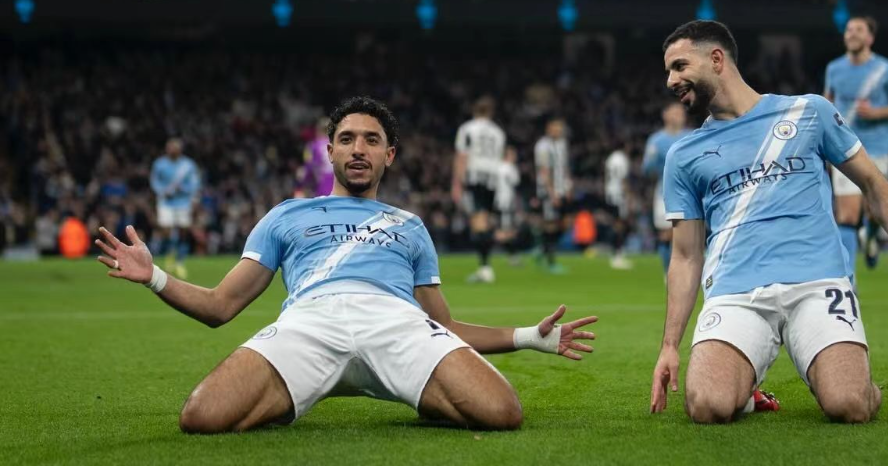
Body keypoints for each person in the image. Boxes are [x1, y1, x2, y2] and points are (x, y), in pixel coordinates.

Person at [95, 96, 597, 434]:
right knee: (201, 416)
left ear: (389, 155)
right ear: (330, 150)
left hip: (395, 324)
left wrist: (529, 336)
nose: (359, 149)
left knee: (503, 411)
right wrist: (154, 277)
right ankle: (316, 382)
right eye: (348, 139)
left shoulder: (410, 225)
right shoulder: (286, 215)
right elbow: (219, 306)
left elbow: (445, 325)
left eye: (372, 140)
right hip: (310, 322)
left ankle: (396, 382)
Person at [649, 20, 888, 424]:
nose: (671, 81)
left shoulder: (808, 111)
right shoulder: (683, 154)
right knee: (707, 405)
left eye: (679, 66)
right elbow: (686, 255)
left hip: (817, 283)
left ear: (716, 59)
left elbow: (873, 183)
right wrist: (669, 346)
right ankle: (746, 391)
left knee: (849, 404)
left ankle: (854, 380)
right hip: (735, 292)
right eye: (668, 71)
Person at [824, 16, 888, 283]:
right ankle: (848, 281)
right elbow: (827, 104)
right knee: (847, 214)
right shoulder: (834, 69)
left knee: (874, 211)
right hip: (843, 148)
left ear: (870, 38)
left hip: (876, 147)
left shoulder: (886, 69)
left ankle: (871, 235)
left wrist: (877, 113)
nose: (851, 33)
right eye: (848, 29)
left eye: (858, 30)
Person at [451, 97, 506, 284]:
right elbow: (500, 158)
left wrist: (457, 183)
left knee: (478, 223)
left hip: (474, 177)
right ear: (491, 112)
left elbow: (462, 156)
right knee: (486, 221)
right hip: (493, 179)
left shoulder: (467, 129)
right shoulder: (498, 132)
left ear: (474, 111)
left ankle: (485, 268)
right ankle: (486, 266)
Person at [642, 103, 690, 275]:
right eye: (675, 112)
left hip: (689, 193)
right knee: (666, 233)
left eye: (681, 112)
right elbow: (646, 170)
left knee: (687, 235)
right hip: (664, 192)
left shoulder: (692, 136)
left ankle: (687, 273)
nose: (680, 115)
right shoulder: (656, 140)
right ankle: (667, 273)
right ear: (666, 115)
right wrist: (653, 159)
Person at [149, 138, 201, 279]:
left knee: (183, 232)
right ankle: (170, 257)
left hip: (183, 202)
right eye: (169, 147)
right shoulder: (160, 164)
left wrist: (183, 189)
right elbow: (154, 181)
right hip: (166, 202)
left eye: (174, 148)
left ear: (180, 150)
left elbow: (195, 183)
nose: (171, 150)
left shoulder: (188, 165)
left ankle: (180, 262)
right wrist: (162, 191)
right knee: (166, 230)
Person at [534, 117, 572, 274]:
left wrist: (568, 186)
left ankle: (542, 249)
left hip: (562, 189)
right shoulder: (542, 146)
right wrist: (551, 193)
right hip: (548, 191)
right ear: (548, 129)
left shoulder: (562, 144)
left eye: (560, 129)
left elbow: (565, 167)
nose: (558, 131)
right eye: (555, 128)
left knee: (565, 223)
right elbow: (544, 171)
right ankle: (550, 263)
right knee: (550, 223)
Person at [604, 142, 633, 270]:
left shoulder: (610, 158)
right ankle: (617, 255)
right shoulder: (622, 159)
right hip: (619, 195)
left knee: (616, 224)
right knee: (620, 225)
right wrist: (629, 196)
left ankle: (617, 253)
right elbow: (623, 179)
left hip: (610, 193)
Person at [493, 146, 523, 265]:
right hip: (507, 201)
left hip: (498, 201)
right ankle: (511, 256)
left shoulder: (496, 167)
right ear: (507, 155)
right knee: (508, 230)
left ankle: (510, 254)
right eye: (513, 154)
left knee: (504, 229)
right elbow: (516, 182)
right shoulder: (510, 167)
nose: (515, 157)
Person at [296, 117, 334, 197]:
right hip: (338, 190)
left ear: (318, 131)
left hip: (322, 189)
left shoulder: (312, 146)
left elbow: (308, 167)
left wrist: (299, 186)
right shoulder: (337, 145)